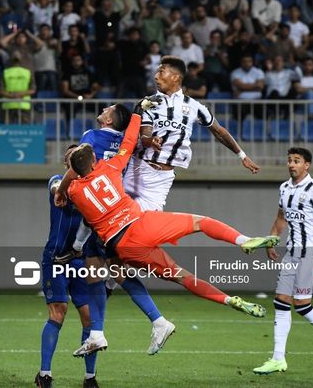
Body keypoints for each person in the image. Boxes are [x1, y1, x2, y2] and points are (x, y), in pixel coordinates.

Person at [56, 107, 279, 355]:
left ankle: (222, 301)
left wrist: (61, 191)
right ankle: (243, 240)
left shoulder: (74, 191)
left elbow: (70, 182)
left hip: (122, 245)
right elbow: (128, 143)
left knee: (175, 276)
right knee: (201, 222)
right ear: (94, 162)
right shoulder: (110, 168)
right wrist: (138, 114)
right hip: (142, 224)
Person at [57, 103, 174, 359]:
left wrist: (61, 190)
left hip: (101, 217)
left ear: (109, 120)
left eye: (108, 109)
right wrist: (138, 111)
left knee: (95, 273)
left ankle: (99, 333)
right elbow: (132, 138)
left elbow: (76, 167)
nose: (104, 109)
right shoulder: (122, 145)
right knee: (115, 272)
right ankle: (156, 321)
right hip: (119, 210)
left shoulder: (91, 136)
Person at [253, 147, 313, 374]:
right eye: (289, 160)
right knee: (281, 301)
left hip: (311, 254)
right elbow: (281, 218)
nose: (291, 164)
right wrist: (271, 241)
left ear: (307, 165)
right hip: (291, 253)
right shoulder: (284, 188)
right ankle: (278, 359)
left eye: (296, 161)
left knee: (302, 305)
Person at [123, 55, 259, 213]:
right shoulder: (148, 103)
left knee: (146, 223)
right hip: (138, 167)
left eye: (161, 72)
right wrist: (150, 140)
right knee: (115, 216)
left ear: (175, 77)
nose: (156, 76)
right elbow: (144, 135)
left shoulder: (194, 106)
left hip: (162, 179)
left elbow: (219, 131)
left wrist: (242, 155)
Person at [35, 145, 99, 388]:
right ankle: (44, 374)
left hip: (82, 259)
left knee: (90, 318)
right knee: (58, 312)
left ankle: (90, 378)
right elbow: (58, 190)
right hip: (56, 256)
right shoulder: (56, 181)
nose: (74, 159)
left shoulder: (93, 187)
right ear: (66, 163)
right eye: (71, 157)